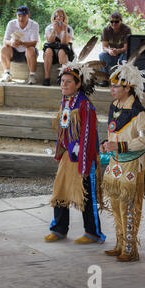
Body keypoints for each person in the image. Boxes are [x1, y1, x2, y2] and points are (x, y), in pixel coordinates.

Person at [100, 57, 145, 262]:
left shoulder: (139, 113)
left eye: (116, 86)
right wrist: (106, 143)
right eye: (110, 85)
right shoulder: (114, 106)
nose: (112, 89)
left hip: (133, 164)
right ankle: (119, 243)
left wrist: (120, 146)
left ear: (128, 88)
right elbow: (113, 132)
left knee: (129, 206)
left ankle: (130, 248)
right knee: (116, 204)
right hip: (115, 163)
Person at [44, 55, 106, 245]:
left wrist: (85, 162)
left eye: (68, 82)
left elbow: (88, 134)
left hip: (84, 157)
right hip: (68, 156)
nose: (64, 84)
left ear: (78, 84)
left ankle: (94, 233)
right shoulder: (66, 101)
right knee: (60, 191)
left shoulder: (85, 105)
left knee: (86, 195)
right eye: (62, 81)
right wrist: (59, 150)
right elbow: (63, 128)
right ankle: (59, 229)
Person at [1, 6, 39, 84]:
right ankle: (7, 73)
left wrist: (21, 43)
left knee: (31, 49)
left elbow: (34, 43)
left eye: (23, 16)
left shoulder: (34, 24)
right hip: (15, 51)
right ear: (16, 15)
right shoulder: (11, 23)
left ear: (28, 15)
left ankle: (32, 75)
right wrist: (11, 43)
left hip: (29, 52)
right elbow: (5, 40)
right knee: (4, 48)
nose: (21, 18)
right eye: (19, 16)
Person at [42, 8, 75, 86]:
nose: (59, 18)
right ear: (54, 18)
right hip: (52, 50)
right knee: (48, 51)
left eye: (61, 16)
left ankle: (62, 77)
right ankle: (47, 77)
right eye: (57, 16)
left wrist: (64, 31)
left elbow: (64, 42)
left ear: (64, 18)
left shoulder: (68, 28)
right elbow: (49, 41)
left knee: (61, 51)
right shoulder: (49, 28)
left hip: (63, 51)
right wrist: (54, 30)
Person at [98, 12, 132, 86]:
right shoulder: (106, 30)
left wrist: (118, 51)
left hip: (122, 53)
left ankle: (121, 78)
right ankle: (105, 79)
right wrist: (109, 51)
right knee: (102, 55)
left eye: (116, 21)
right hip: (112, 53)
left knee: (126, 56)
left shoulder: (126, 30)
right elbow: (104, 47)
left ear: (121, 21)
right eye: (111, 21)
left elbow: (126, 48)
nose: (113, 23)